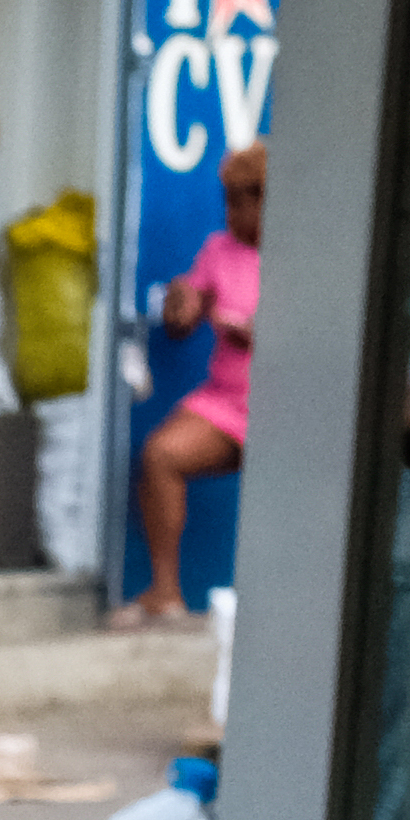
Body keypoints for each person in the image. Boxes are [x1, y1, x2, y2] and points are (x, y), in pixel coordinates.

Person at [121, 144, 267, 626]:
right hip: (225, 403)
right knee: (160, 454)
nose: (230, 213)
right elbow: (185, 316)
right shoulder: (218, 250)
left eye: (240, 201)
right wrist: (180, 306)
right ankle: (165, 592)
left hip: (282, 410)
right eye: (226, 200)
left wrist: (256, 334)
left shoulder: (309, 258)